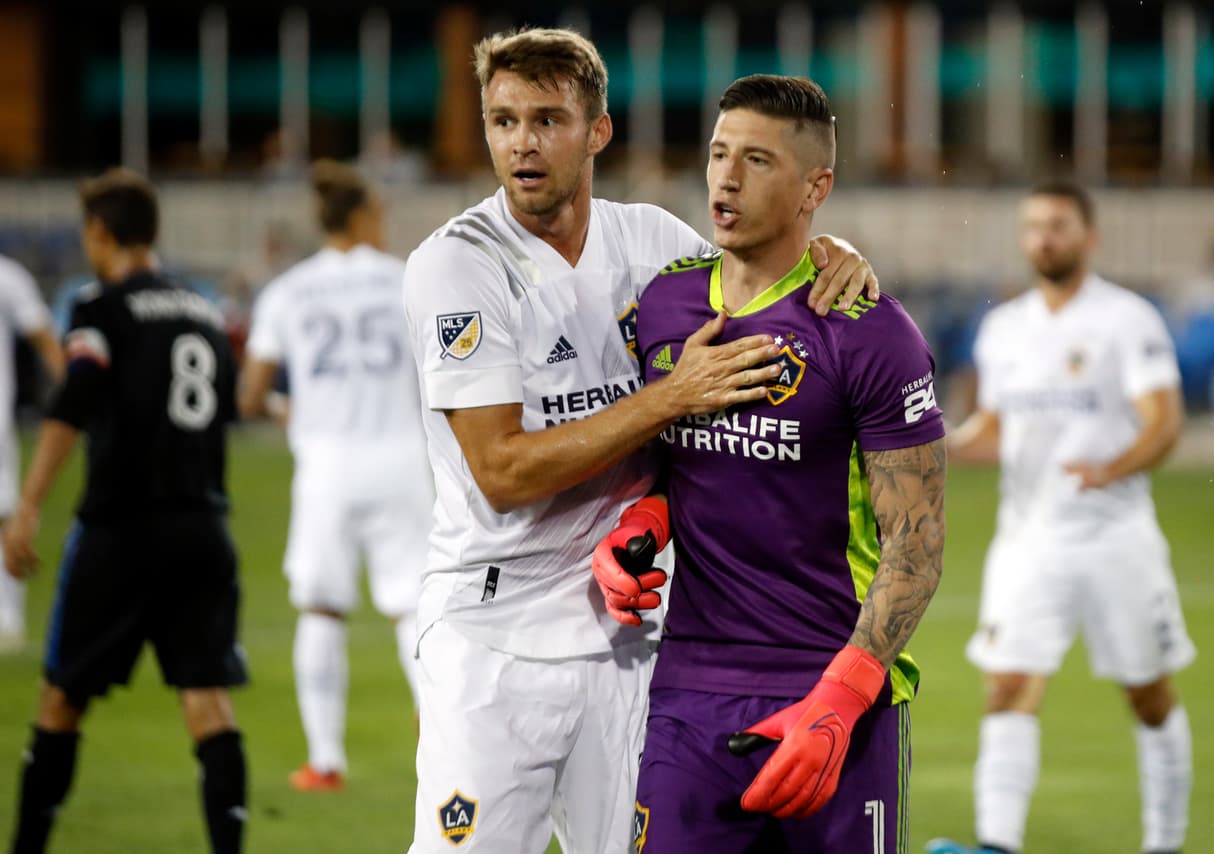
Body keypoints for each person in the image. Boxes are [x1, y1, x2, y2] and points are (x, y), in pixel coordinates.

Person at [400, 28, 879, 854]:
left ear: (598, 132)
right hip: (493, 632)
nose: (522, 142)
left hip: (628, 636)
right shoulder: (459, 264)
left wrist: (832, 250)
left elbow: (767, 280)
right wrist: (671, 396)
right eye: (503, 120)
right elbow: (503, 470)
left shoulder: (655, 244)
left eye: (548, 119)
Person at [593, 74, 946, 854]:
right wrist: (642, 521)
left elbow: (917, 545)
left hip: (832, 687)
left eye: (756, 160)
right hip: (690, 690)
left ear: (815, 186)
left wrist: (843, 699)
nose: (725, 176)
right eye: (719, 154)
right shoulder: (664, 306)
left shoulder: (868, 332)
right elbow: (670, 465)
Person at [925, 180, 1195, 854]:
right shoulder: (1004, 327)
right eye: (1035, 226)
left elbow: (1165, 422)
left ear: (1088, 236)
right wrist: (937, 450)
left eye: (1059, 225)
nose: (1045, 237)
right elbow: (994, 429)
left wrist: (1113, 467)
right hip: (1029, 543)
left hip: (1115, 539)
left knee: (1148, 695)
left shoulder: (1127, 319)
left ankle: (1164, 842)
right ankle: (996, 844)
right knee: (1009, 685)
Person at [3, 168, 247, 854]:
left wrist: (27, 507)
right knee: (208, 703)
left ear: (100, 232)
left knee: (61, 701)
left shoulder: (98, 306)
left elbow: (75, 396)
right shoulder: (203, 309)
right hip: (203, 525)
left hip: (120, 528)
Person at [239, 159, 431, 792]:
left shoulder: (289, 290)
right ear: (361, 217)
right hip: (402, 458)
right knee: (412, 608)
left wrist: (283, 409)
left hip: (326, 466)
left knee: (321, 610)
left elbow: (251, 393)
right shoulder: (405, 279)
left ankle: (325, 761)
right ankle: (438, 726)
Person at [0, 254, 65, 652]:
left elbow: (45, 339)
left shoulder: (7, 276)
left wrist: (78, 395)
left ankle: (7, 619)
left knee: (4, 515)